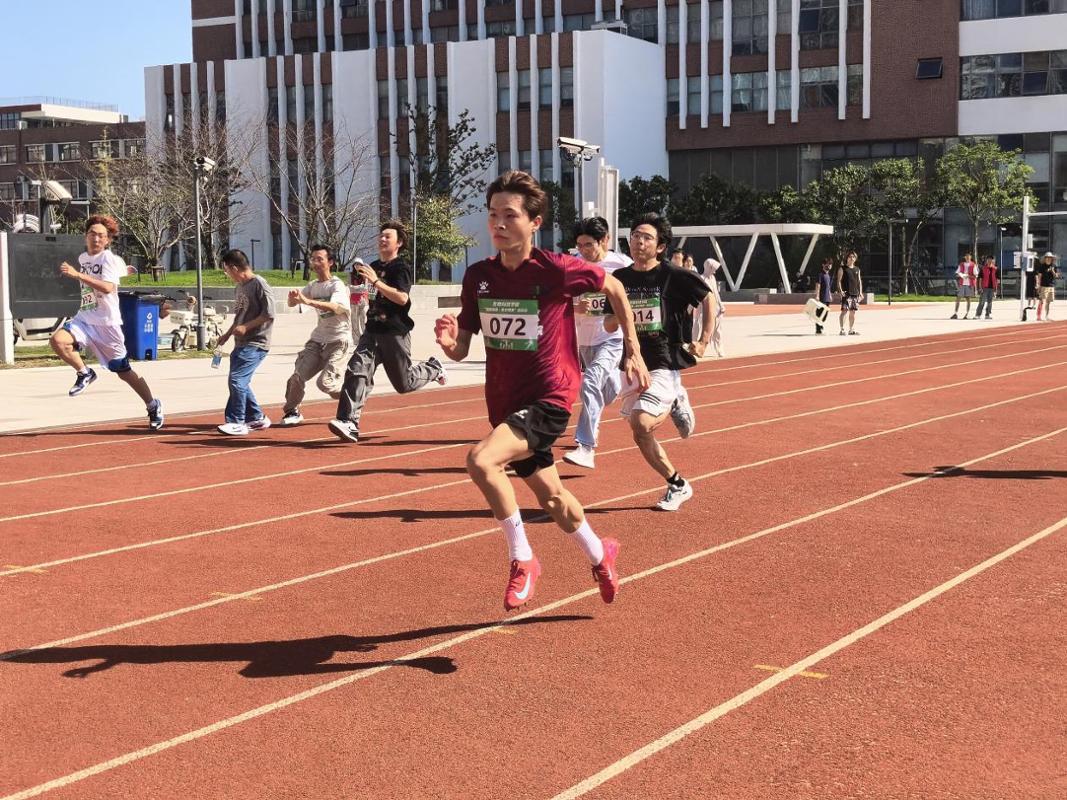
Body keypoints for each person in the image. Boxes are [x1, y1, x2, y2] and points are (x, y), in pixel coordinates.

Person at [433, 170, 649, 611]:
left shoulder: (556, 269)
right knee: (553, 498)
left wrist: (633, 348)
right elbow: (462, 348)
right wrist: (449, 341)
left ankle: (523, 558)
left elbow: (614, 286)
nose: (498, 223)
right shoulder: (478, 276)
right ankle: (600, 554)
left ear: (534, 222)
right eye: (492, 214)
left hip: (551, 396)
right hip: (505, 401)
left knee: (481, 460)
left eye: (510, 215)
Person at [605, 212, 714, 512]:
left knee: (641, 421)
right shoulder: (619, 279)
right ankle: (677, 483)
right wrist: (621, 314)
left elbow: (708, 297)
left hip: (664, 361)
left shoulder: (671, 275)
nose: (638, 242)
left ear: (661, 246)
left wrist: (704, 340)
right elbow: (609, 324)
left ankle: (675, 397)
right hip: (632, 364)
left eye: (646, 237)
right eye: (635, 235)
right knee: (641, 433)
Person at [329, 220, 446, 443]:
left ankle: (433, 368)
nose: (382, 239)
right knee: (356, 370)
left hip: (394, 332)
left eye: (387, 236)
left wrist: (376, 281)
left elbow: (402, 298)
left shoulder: (400, 268)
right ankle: (348, 421)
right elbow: (371, 295)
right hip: (372, 330)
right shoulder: (373, 265)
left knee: (404, 384)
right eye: (381, 236)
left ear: (398, 243)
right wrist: (362, 283)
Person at [49, 214, 164, 430]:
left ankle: (152, 404)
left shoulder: (109, 259)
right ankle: (85, 372)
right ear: (86, 236)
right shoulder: (83, 258)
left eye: (101, 236)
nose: (96, 239)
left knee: (123, 372)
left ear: (108, 240)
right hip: (85, 318)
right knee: (58, 341)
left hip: (107, 324)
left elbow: (108, 288)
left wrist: (78, 275)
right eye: (92, 234)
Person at [562, 216, 631, 470]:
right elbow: (560, 299)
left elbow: (635, 295)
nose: (583, 250)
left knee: (590, 382)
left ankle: (586, 446)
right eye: (579, 245)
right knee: (606, 391)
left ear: (605, 241)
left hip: (611, 338)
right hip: (584, 341)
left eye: (588, 245)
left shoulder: (621, 264)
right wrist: (575, 307)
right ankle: (621, 386)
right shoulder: (573, 265)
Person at [279, 244, 352, 426]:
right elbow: (294, 303)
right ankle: (292, 411)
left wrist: (307, 301)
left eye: (320, 259)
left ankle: (353, 397)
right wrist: (293, 298)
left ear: (330, 262)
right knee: (297, 376)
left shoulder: (337, 285)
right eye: (313, 259)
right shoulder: (312, 286)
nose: (316, 263)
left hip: (338, 341)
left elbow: (335, 307)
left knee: (325, 384)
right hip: (317, 341)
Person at [216, 249, 275, 435]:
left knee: (237, 380)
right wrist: (227, 335)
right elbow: (239, 316)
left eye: (226, 270)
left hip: (256, 342)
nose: (227, 274)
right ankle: (257, 417)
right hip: (240, 342)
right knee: (240, 381)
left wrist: (246, 327)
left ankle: (237, 421)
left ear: (234, 268)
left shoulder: (259, 284)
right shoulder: (239, 287)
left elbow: (269, 314)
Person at [701, 258, 726, 356]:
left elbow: (716, 293)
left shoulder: (713, 278)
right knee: (704, 330)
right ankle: (700, 348)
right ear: (709, 267)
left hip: (716, 308)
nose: (715, 271)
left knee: (718, 330)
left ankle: (719, 348)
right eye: (713, 269)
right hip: (706, 308)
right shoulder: (702, 279)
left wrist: (721, 305)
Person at [835, 250, 863, 335]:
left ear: (855, 259)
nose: (852, 258)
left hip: (855, 294)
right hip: (846, 294)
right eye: (850, 257)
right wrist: (840, 291)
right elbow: (839, 281)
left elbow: (859, 281)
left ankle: (851, 330)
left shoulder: (857, 269)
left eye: (853, 257)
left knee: (853, 312)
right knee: (844, 311)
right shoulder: (842, 268)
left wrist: (860, 292)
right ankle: (842, 329)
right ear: (847, 258)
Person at [951, 253, 979, 319]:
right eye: (966, 257)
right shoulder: (961, 264)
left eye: (968, 257)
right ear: (965, 257)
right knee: (958, 298)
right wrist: (960, 275)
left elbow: (976, 275)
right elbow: (957, 273)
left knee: (968, 298)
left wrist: (968, 276)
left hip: (969, 284)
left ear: (970, 257)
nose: (967, 258)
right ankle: (955, 313)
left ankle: (967, 314)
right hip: (962, 283)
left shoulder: (973, 265)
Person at [349, 257, 369, 343]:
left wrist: (355, 287)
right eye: (355, 264)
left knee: (363, 320)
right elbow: (350, 287)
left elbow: (365, 287)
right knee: (354, 321)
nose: (357, 266)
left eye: (359, 264)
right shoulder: (350, 275)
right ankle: (356, 340)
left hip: (363, 300)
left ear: (362, 265)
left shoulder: (365, 275)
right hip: (353, 301)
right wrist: (359, 287)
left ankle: (365, 339)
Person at [1035, 252, 1059, 321]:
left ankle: (1046, 316)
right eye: (1047, 257)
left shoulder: (1054, 266)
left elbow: (1056, 276)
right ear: (1045, 258)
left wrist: (1053, 271)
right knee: (1041, 301)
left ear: (1052, 259)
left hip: (1051, 286)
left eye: (1050, 258)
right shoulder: (1042, 266)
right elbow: (1039, 276)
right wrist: (1038, 285)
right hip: (1043, 286)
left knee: (1048, 302)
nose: (1048, 259)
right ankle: (1038, 316)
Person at [813, 257, 834, 334]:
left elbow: (828, 287)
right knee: (820, 313)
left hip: (827, 298)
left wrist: (830, 295)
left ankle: (820, 325)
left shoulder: (828, 275)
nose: (829, 265)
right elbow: (818, 285)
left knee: (825, 314)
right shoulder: (820, 274)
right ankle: (818, 329)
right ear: (823, 265)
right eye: (827, 264)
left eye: (830, 264)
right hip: (821, 298)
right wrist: (817, 295)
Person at [974, 255, 998, 320]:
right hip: (984, 287)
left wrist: (996, 289)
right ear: (987, 260)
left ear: (993, 260)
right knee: (982, 301)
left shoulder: (995, 269)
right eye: (988, 259)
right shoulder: (983, 268)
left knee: (990, 302)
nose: (990, 260)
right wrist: (980, 287)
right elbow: (980, 279)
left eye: (991, 259)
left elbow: (997, 280)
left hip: (992, 288)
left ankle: (987, 315)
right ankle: (978, 314)